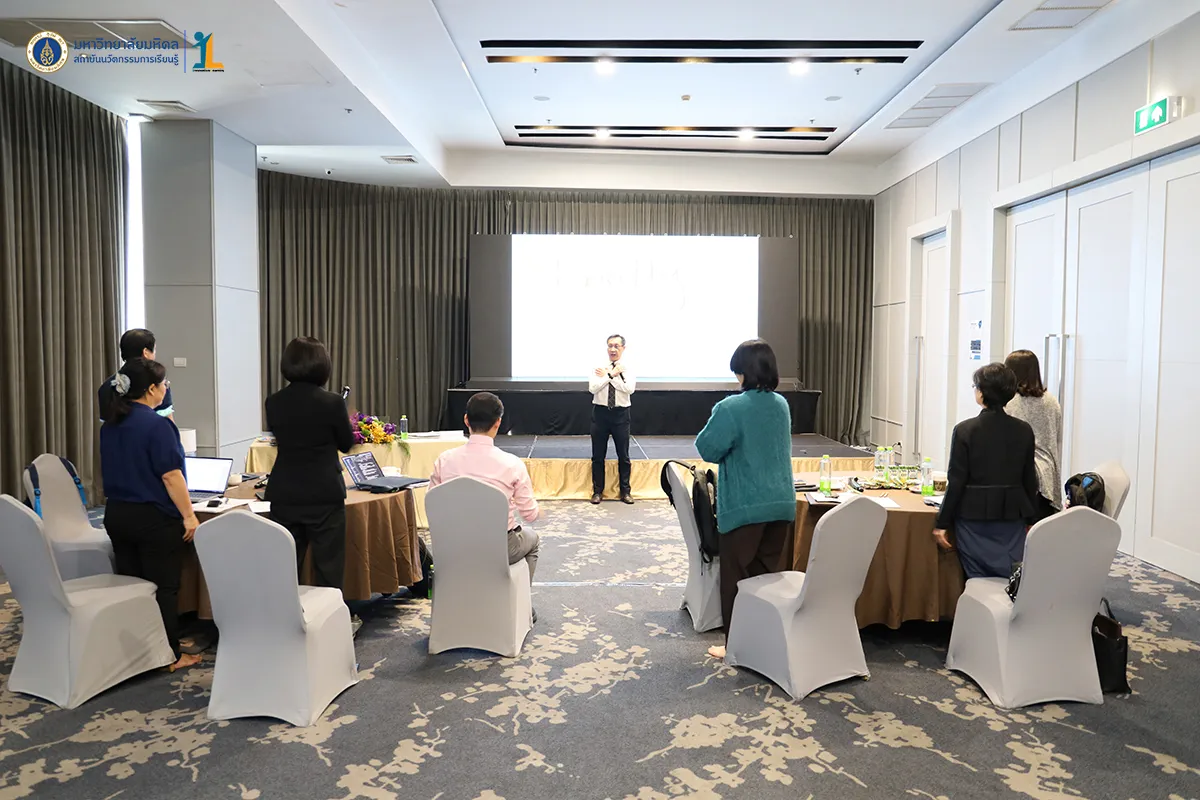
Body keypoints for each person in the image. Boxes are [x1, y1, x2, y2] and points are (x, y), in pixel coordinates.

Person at [695, 339, 796, 660]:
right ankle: (764, 640)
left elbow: (707, 448)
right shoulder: (781, 405)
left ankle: (736, 644)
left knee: (735, 578)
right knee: (766, 577)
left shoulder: (731, 408)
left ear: (743, 371)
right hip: (780, 503)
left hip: (744, 506)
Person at [100, 358, 201, 672]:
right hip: (153, 519)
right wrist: (189, 516)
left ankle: (137, 653)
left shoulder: (110, 424)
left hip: (117, 514)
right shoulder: (157, 425)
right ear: (151, 390)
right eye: (164, 383)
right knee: (163, 588)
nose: (166, 388)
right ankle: (170, 655)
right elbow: (171, 476)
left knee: (133, 586)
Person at [263, 337, 358, 629]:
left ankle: (284, 623)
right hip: (324, 492)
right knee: (329, 565)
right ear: (322, 365)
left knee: (286, 564)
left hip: (284, 492)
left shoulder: (274, 401)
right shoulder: (332, 402)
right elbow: (346, 443)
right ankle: (331, 627)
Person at [429, 392, 542, 612]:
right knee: (533, 540)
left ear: (466, 420)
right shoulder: (512, 464)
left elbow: (433, 505)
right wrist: (538, 511)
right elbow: (530, 515)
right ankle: (521, 608)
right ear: (498, 422)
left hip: (452, 548)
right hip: (499, 549)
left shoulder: (444, 460)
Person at [933, 362, 1039, 580]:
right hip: (1012, 518)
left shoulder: (965, 430)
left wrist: (942, 523)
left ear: (981, 393)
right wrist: (1031, 519)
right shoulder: (1024, 430)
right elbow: (1029, 479)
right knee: (1009, 576)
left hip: (973, 519)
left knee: (978, 578)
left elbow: (957, 481)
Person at [1004, 349, 1063, 522]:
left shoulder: (1009, 403)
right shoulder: (1051, 401)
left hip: (1021, 478)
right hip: (1049, 476)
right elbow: (1057, 438)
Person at [589, 334, 636, 505]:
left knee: (623, 455)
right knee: (598, 455)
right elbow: (593, 388)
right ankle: (597, 491)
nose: (613, 349)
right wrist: (611, 375)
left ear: (623, 348)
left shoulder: (628, 367)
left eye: (616, 346)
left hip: (621, 414)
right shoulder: (598, 366)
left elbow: (629, 389)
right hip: (600, 413)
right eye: (610, 346)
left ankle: (625, 492)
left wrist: (610, 376)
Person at [99, 329, 175, 421]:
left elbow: (107, 424)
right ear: (145, 352)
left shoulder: (107, 386)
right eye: (154, 350)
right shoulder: (157, 382)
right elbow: (168, 422)